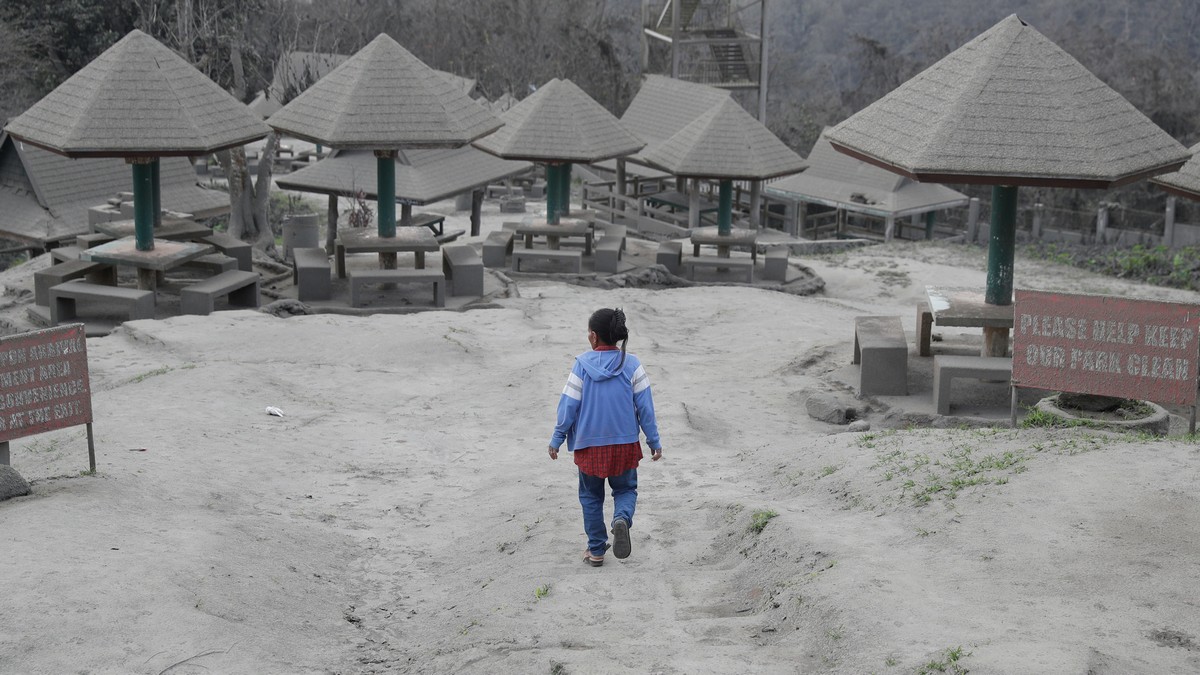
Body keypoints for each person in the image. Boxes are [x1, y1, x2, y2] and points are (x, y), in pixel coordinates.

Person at [548, 307, 663, 567]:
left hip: (589, 445)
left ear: (593, 337)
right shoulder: (633, 364)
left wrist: (557, 437)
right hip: (624, 444)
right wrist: (653, 440)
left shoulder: (582, 366)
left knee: (590, 496)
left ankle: (596, 550)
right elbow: (645, 408)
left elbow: (568, 405)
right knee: (625, 488)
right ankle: (621, 519)